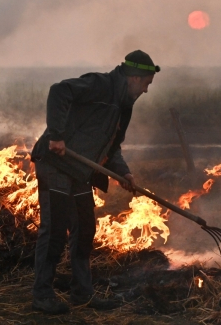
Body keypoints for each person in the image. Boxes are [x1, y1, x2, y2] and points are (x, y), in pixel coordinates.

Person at [30, 50, 160, 314]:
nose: (146, 90)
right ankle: (42, 295)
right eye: (147, 83)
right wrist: (55, 135)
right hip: (55, 164)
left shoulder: (124, 107)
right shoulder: (100, 85)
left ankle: (82, 293)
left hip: (79, 172)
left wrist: (123, 172)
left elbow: (112, 147)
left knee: (85, 231)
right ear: (134, 78)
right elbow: (59, 91)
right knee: (55, 230)